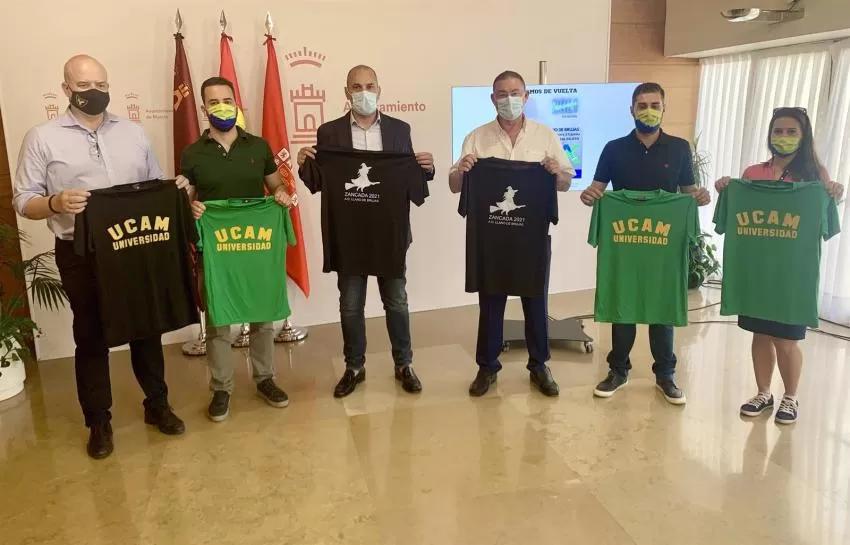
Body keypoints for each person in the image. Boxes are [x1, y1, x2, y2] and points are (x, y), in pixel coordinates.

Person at [12, 55, 185, 459]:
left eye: (102, 85)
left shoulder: (133, 132)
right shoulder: (42, 137)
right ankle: (98, 421)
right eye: (85, 86)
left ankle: (157, 403)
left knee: (147, 326)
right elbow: (23, 200)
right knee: (91, 334)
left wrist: (174, 189)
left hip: (135, 245)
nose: (95, 93)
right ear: (66, 89)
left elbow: (152, 186)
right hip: (80, 251)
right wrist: (54, 202)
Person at [297, 65, 435, 398]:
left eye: (370, 86)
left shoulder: (400, 129)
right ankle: (354, 367)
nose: (364, 92)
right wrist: (304, 164)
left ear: (379, 89)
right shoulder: (329, 133)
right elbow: (318, 182)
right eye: (356, 87)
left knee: (396, 301)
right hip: (349, 234)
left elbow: (409, 177)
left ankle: (404, 364)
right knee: (350, 305)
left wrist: (427, 169)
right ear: (346, 92)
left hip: (389, 232)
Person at [580, 82, 711, 405]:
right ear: (632, 110)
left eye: (654, 105)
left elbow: (688, 192)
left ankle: (665, 375)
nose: (648, 111)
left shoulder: (679, 148)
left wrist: (700, 197)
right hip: (625, 243)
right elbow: (597, 188)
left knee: (662, 307)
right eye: (642, 105)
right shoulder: (614, 149)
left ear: (664, 108)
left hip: (663, 246)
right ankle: (618, 371)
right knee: (623, 305)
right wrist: (589, 196)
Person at [449, 70, 575, 398]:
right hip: (491, 240)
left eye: (515, 92)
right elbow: (454, 186)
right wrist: (462, 171)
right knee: (491, 303)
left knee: (535, 302)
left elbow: (566, 181)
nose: (509, 99)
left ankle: (539, 365)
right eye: (502, 94)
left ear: (526, 96)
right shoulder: (476, 137)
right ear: (493, 99)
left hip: (531, 238)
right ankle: (487, 367)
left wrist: (556, 173)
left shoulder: (545, 136)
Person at [715, 106, 844, 424]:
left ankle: (791, 396)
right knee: (760, 334)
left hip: (792, 274)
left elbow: (827, 222)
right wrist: (726, 188)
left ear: (804, 136)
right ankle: (763, 393)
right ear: (769, 135)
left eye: (791, 132)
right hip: (756, 271)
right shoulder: (752, 174)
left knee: (786, 340)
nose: (783, 137)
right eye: (778, 131)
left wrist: (834, 194)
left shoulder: (814, 177)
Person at [178, 76, 295, 422]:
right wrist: (191, 206)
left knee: (262, 315)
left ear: (236, 103)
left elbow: (276, 186)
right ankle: (221, 388)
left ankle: (265, 379)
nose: (222, 107)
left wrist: (281, 195)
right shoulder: (192, 153)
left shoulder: (258, 146)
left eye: (227, 100)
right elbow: (187, 197)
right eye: (213, 102)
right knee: (218, 321)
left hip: (255, 247)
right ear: (204, 109)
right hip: (218, 250)